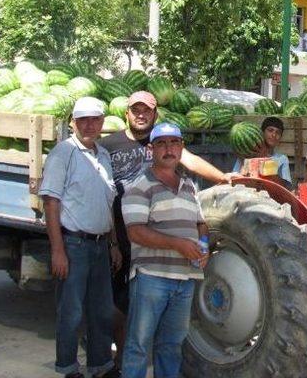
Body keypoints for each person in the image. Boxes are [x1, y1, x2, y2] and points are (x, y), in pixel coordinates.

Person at [98, 90, 235, 366]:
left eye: (146, 110)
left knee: (163, 336)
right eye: (135, 109)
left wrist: (223, 178)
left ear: (154, 113)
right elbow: (101, 191)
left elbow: (191, 162)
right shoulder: (110, 145)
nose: (140, 114)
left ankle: (123, 359)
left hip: (157, 247)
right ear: (126, 113)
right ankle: (113, 359)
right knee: (118, 308)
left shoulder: (168, 153)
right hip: (122, 236)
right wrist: (112, 242)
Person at [39, 97, 121, 378]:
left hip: (100, 246)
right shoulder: (63, 153)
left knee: (102, 312)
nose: (88, 125)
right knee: (71, 313)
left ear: (102, 123)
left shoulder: (104, 156)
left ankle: (101, 365)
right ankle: (68, 368)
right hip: (73, 245)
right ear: (73, 122)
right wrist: (57, 250)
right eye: (82, 120)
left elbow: (105, 202)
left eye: (94, 119)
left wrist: (112, 244)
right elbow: (51, 202)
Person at [121, 123, 208, 378]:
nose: (169, 149)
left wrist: (203, 246)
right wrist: (178, 244)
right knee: (138, 344)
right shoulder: (140, 185)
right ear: (151, 150)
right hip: (152, 277)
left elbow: (201, 223)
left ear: (181, 147)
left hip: (185, 280)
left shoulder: (190, 186)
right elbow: (135, 232)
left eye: (174, 143)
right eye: (162, 143)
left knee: (172, 346)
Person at [232, 116, 292, 188]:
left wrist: (265, 159)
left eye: (278, 132)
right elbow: (235, 180)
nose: (274, 135)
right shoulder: (247, 154)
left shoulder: (282, 158)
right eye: (270, 130)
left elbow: (284, 187)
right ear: (262, 132)